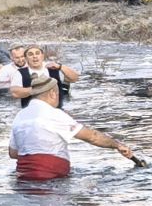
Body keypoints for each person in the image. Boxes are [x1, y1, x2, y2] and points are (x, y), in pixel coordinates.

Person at [8, 77, 137, 180]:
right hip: (52, 175)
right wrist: (117, 145)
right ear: (53, 93)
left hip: (23, 176)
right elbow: (92, 137)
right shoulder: (54, 114)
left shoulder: (19, 116)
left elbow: (13, 153)